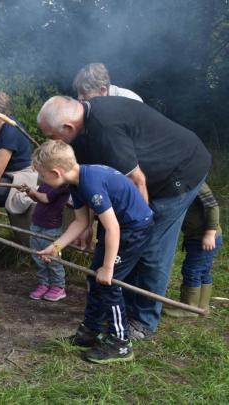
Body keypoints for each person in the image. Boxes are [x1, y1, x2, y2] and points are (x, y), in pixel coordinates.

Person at [37, 95, 211, 340]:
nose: (50, 141)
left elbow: (137, 181)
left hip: (180, 171)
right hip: (141, 188)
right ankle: (119, 309)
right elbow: (84, 201)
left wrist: (139, 227)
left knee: (150, 250)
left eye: (52, 136)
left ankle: (142, 321)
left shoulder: (106, 130)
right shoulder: (79, 135)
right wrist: (82, 230)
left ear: (67, 127)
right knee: (122, 251)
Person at [34, 141, 153, 364]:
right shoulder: (76, 183)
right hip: (119, 229)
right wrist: (56, 247)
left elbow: (113, 228)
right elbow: (80, 222)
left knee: (109, 283)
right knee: (93, 278)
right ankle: (91, 330)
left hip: (132, 230)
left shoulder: (90, 183)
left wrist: (108, 268)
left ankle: (121, 342)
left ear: (55, 172)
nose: (42, 181)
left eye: (43, 176)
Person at [163, 183, 222, 318]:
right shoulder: (184, 180)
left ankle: (189, 307)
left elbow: (212, 206)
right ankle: (200, 307)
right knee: (203, 270)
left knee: (192, 271)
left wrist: (210, 233)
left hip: (204, 237)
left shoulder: (197, 182)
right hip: (195, 236)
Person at [22, 181, 70, 301]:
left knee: (52, 259)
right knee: (38, 256)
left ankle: (58, 286)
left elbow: (46, 198)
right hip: (36, 224)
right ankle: (44, 283)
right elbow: (38, 197)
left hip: (51, 228)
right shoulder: (47, 181)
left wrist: (34, 192)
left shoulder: (63, 184)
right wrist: (29, 191)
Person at [73, 63, 143, 102]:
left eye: (84, 94)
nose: (79, 98)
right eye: (79, 93)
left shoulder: (128, 101)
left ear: (103, 90)